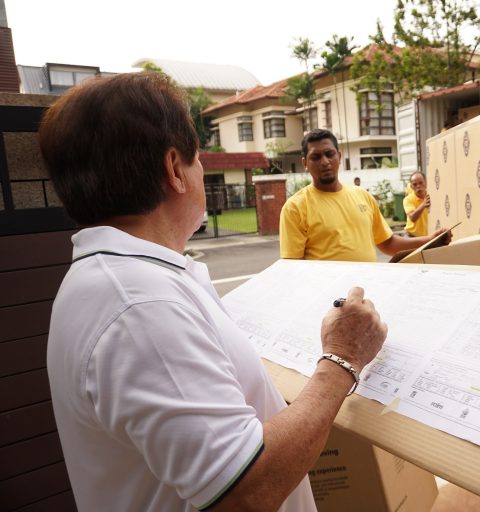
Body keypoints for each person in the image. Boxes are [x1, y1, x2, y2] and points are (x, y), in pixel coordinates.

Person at [39, 73, 388, 512]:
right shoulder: (140, 307)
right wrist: (342, 359)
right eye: (197, 158)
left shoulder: (131, 281)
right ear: (174, 170)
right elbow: (244, 490)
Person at [279, 129, 450, 261]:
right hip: (330, 302)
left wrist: (430, 240)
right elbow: (293, 266)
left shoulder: (362, 196)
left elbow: (388, 244)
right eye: (316, 157)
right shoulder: (296, 208)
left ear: (339, 156)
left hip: (366, 294)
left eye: (329, 154)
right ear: (305, 163)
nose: (324, 161)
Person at [403, 171, 430, 237]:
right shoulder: (408, 200)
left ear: (426, 183)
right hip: (411, 237)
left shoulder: (431, 196)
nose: (418, 186)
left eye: (421, 183)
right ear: (411, 186)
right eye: (415, 184)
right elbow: (413, 217)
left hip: (427, 237)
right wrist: (424, 204)